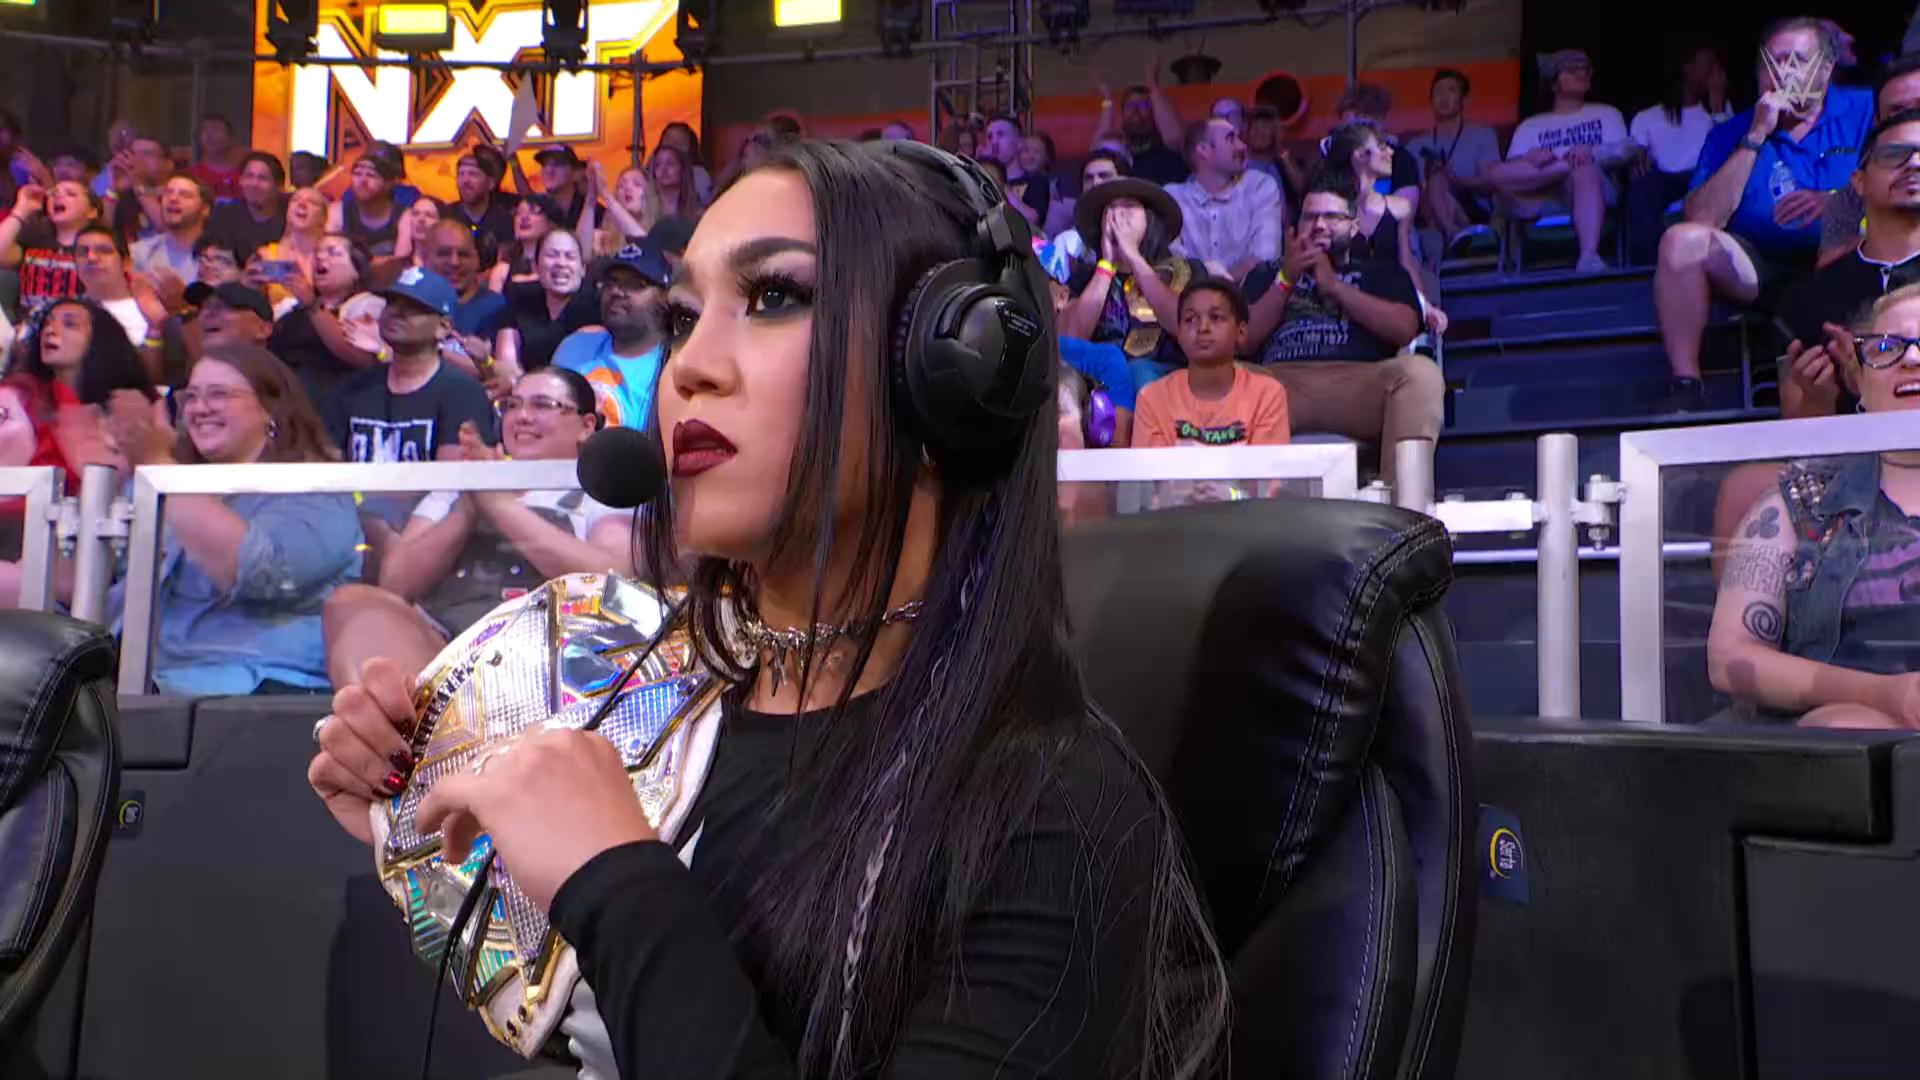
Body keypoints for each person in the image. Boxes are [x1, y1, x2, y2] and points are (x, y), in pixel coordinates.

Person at [307, 137, 1228, 1079]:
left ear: (954, 370)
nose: (690, 368)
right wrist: (417, 813)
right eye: (682, 316)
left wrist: (613, 881)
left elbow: (646, 949)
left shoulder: (1058, 816)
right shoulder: (645, 694)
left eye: (775, 296)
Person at [320, 367, 630, 686]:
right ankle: (392, 714)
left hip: (549, 660)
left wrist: (498, 504)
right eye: (512, 405)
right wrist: (470, 503)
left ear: (586, 426)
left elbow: (615, 580)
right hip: (444, 657)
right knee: (349, 603)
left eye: (542, 405)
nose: (522, 416)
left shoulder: (600, 491)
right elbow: (396, 583)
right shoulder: (460, 487)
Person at [1708, 284, 1920, 728]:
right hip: (1851, 741)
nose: (1913, 358)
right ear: (1859, 384)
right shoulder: (1798, 501)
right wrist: (1885, 696)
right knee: (1848, 727)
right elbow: (1730, 658)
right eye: (1885, 348)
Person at [102, 345, 360, 695]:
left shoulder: (315, 487)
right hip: (145, 674)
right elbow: (89, 579)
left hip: (256, 684)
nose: (199, 408)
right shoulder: (172, 479)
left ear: (271, 408)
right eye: (191, 396)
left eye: (219, 394)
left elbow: (262, 573)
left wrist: (158, 465)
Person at [1656, 18, 1875, 412]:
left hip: (1848, 253)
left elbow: (1901, 177)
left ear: (1826, 68)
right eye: (1774, 62)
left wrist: (1837, 200)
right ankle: (1686, 385)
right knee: (1680, 241)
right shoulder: (1733, 131)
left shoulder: (1865, 109)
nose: (1785, 72)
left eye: (1797, 60)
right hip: (1760, 265)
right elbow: (1701, 218)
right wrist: (1756, 136)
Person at [1240, 175, 1437, 481]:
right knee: (1225, 376)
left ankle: (1402, 504)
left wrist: (1333, 286)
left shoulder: (1380, 270)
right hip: (1280, 387)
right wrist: (1286, 279)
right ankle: (1240, 503)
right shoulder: (1267, 274)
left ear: (1354, 225)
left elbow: (1404, 328)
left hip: (1358, 384)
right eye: (1310, 217)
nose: (1319, 225)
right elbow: (1243, 339)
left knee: (1420, 374)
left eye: (1332, 216)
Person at [1776, 109, 1920, 420]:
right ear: (1859, 181)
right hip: (1851, 451)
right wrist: (1819, 400)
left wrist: (1866, 376)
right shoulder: (1811, 296)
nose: (1915, 164)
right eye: (1895, 155)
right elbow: (1798, 428)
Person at [322, 265, 496, 467]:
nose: (396, 312)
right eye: (392, 302)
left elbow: (452, 479)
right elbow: (326, 468)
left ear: (443, 327)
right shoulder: (351, 388)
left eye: (413, 307)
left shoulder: (463, 393)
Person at [1486, 50, 1632, 274]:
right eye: (1573, 69)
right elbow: (1506, 175)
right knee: (1493, 173)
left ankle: (1589, 257)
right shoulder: (1530, 126)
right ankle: (1563, 167)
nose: (1582, 73)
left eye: (1585, 69)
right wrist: (1529, 158)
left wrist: (1592, 151)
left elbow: (1624, 152)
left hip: (1594, 190)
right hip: (1542, 194)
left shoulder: (1606, 114)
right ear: (1554, 84)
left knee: (1583, 171)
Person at [1057, 177, 1194, 393]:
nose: (1117, 215)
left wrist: (1133, 255)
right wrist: (1107, 265)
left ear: (1150, 219)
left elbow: (1184, 324)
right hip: (1099, 383)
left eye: (1128, 206)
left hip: (1164, 379)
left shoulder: (1185, 269)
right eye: (1109, 209)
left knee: (1139, 372)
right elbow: (1067, 341)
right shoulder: (1086, 276)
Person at [1133, 277, 1290, 448]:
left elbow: (1265, 465)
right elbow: (1154, 466)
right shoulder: (1152, 399)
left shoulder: (1267, 395)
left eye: (1216, 317)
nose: (1203, 328)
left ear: (1241, 332)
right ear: (1179, 334)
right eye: (1190, 319)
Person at [1323, 122, 1446, 333]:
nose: (1391, 152)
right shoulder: (1328, 208)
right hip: (1344, 309)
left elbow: (1406, 264)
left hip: (1391, 307)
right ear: (1360, 156)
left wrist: (1423, 306)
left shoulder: (1399, 208)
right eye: (1382, 146)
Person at [1626, 46, 1732, 267]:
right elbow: (1637, 157)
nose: (1716, 72)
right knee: (1641, 189)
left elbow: (1728, 151)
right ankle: (1647, 266)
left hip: (1704, 176)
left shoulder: (1720, 111)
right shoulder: (1647, 117)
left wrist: (1718, 106)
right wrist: (1638, 160)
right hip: (1666, 180)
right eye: (1709, 65)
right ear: (1687, 68)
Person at [1817, 54, 1920, 268]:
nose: (1912, 119)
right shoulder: (1851, 198)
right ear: (1877, 122)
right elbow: (1828, 271)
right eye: (1897, 112)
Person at [550, 241, 668, 428]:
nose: (616, 292)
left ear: (665, 297)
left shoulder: (673, 367)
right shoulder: (574, 348)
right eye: (610, 283)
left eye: (635, 285)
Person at [1166, 116, 1284, 278]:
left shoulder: (1259, 186)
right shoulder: (1173, 198)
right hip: (1190, 294)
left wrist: (1219, 285)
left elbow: (1266, 260)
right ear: (1204, 150)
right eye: (1231, 139)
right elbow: (1175, 266)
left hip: (1250, 293)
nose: (1242, 146)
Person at [1404, 68, 1504, 247]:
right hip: (1426, 212)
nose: (1443, 97)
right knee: (1435, 178)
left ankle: (1449, 236)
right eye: (1438, 92)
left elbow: (1490, 183)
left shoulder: (1483, 135)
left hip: (1470, 210)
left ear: (1464, 100)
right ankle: (1453, 234)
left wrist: (1455, 180)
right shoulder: (1414, 145)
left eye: (1451, 90)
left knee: (1439, 178)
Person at [495, 227, 594, 380]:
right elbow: (507, 363)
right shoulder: (519, 296)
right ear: (535, 267)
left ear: (583, 269)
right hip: (525, 386)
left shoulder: (596, 305)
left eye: (570, 257)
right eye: (552, 255)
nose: (561, 263)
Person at [0, 179, 99, 313]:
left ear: (92, 211)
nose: (58, 196)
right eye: (53, 193)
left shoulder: (99, 250)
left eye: (70, 194)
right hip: (27, 323)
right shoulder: (33, 242)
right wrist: (21, 210)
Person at [1089, 57, 1188, 184]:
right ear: (1122, 115)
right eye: (1129, 106)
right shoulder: (1120, 151)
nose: (1135, 110)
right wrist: (1107, 98)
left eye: (1143, 106)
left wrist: (1152, 85)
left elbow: (1174, 137)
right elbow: (1097, 149)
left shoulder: (1167, 147)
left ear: (1154, 112)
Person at [129, 173, 211, 286]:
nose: (173, 199)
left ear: (205, 209)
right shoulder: (139, 252)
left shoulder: (216, 258)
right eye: (168, 193)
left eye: (185, 195)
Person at [331, 141, 410, 257]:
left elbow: (401, 259)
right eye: (357, 174)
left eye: (372, 175)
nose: (363, 180)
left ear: (392, 181)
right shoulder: (340, 210)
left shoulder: (406, 210)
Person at [208, 151, 289, 258]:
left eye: (262, 178)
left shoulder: (290, 216)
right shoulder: (224, 214)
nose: (254, 184)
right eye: (249, 176)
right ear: (240, 181)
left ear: (279, 186)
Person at [487, 193, 568, 291]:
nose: (524, 217)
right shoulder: (502, 272)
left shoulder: (564, 265)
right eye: (518, 212)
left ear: (551, 222)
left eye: (533, 211)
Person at [445, 144, 518, 252]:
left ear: (491, 183)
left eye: (473, 174)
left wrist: (514, 162)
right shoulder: (446, 216)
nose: (465, 180)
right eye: (461, 174)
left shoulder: (507, 218)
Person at [107, 134, 173, 246]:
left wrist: (139, 185)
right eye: (133, 153)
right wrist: (113, 190)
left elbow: (168, 229)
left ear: (168, 164)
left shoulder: (177, 193)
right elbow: (102, 228)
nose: (138, 159)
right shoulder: (123, 193)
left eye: (147, 154)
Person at [187, 114, 246, 201]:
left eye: (216, 130)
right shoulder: (190, 176)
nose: (209, 135)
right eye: (204, 130)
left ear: (231, 138)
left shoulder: (247, 176)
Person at [657, 121, 715, 206]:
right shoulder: (650, 172)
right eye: (668, 139)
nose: (671, 145)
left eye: (678, 142)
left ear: (690, 150)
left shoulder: (698, 175)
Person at [646, 144, 703, 223]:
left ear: (682, 169)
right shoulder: (646, 207)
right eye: (658, 165)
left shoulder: (697, 211)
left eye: (670, 164)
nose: (663, 170)